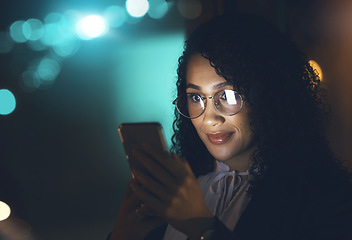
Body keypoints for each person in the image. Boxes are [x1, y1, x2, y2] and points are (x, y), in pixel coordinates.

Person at [109, 14, 352, 240]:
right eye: (196, 97)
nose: (209, 118)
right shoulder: (179, 190)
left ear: (270, 96)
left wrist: (201, 226)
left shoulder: (327, 198)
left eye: (228, 96)